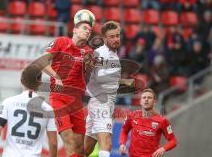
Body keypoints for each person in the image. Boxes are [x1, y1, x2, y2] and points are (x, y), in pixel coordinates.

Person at [22, 9, 96, 157]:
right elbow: (42, 62)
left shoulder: (89, 52)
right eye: (84, 28)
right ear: (75, 30)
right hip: (59, 99)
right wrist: (56, 76)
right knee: (69, 141)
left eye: (90, 30)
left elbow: (88, 77)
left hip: (77, 102)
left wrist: (90, 65)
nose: (88, 31)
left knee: (80, 148)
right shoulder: (61, 42)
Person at [84, 21, 135, 157]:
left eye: (117, 36)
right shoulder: (101, 54)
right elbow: (100, 79)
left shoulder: (113, 56)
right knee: (106, 143)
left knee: (86, 149)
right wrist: (125, 81)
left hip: (101, 102)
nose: (116, 39)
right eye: (111, 37)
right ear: (105, 39)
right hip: (101, 102)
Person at [0, 67, 57, 157]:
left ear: (21, 81)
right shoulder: (48, 109)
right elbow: (53, 142)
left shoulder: (8, 102)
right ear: (40, 83)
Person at [119, 88, 177, 157]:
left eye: (149, 98)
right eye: (144, 97)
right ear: (140, 101)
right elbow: (124, 131)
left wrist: (163, 149)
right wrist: (122, 144)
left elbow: (173, 141)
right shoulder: (131, 116)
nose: (146, 100)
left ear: (154, 102)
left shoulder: (162, 120)